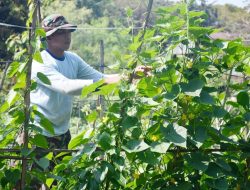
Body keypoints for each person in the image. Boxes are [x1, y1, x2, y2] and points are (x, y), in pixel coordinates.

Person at [29, 14, 151, 188]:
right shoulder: (40, 62)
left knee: (58, 184)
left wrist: (130, 75)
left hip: (62, 133)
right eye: (62, 32)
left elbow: (101, 79)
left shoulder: (72, 59)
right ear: (48, 36)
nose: (68, 36)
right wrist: (109, 81)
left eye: (69, 31)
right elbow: (67, 87)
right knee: (30, 184)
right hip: (38, 134)